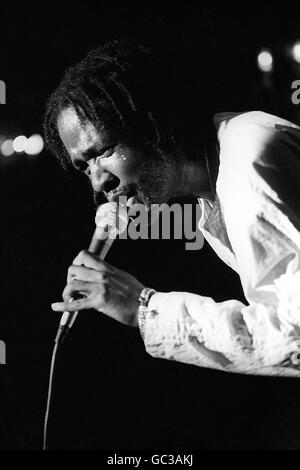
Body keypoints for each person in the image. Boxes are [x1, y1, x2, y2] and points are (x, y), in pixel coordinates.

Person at [45, 39, 300, 377]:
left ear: (151, 123)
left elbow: (293, 334)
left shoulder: (248, 159)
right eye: (84, 166)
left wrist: (144, 307)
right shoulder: (212, 188)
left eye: (103, 151)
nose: (97, 182)